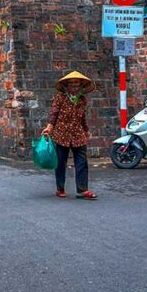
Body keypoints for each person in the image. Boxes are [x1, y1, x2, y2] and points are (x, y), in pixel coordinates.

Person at [42, 71, 97, 200]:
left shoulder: (82, 100)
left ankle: (82, 190)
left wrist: (86, 130)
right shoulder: (60, 97)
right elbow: (54, 113)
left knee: (82, 162)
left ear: (81, 85)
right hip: (61, 133)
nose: (74, 85)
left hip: (78, 133)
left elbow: (82, 117)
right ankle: (60, 188)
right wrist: (49, 127)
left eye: (76, 83)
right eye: (71, 83)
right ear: (66, 85)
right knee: (61, 162)